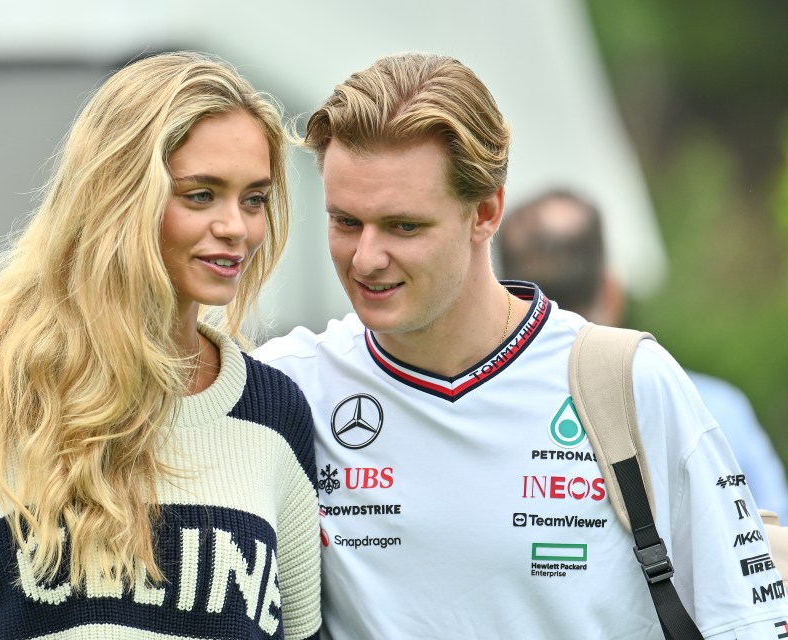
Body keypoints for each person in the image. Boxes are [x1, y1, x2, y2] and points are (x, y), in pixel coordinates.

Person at [254, 52, 788, 639]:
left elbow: (746, 624)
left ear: (485, 212)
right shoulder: (285, 388)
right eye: (346, 222)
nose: (367, 258)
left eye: (405, 226)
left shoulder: (628, 382)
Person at [0, 52, 321, 640]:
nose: (236, 228)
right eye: (200, 195)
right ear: (119, 196)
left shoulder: (275, 414)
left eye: (254, 198)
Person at [497, 188, 788, 518]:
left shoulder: (480, 416)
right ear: (611, 293)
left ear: (506, 300)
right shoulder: (713, 410)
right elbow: (773, 537)